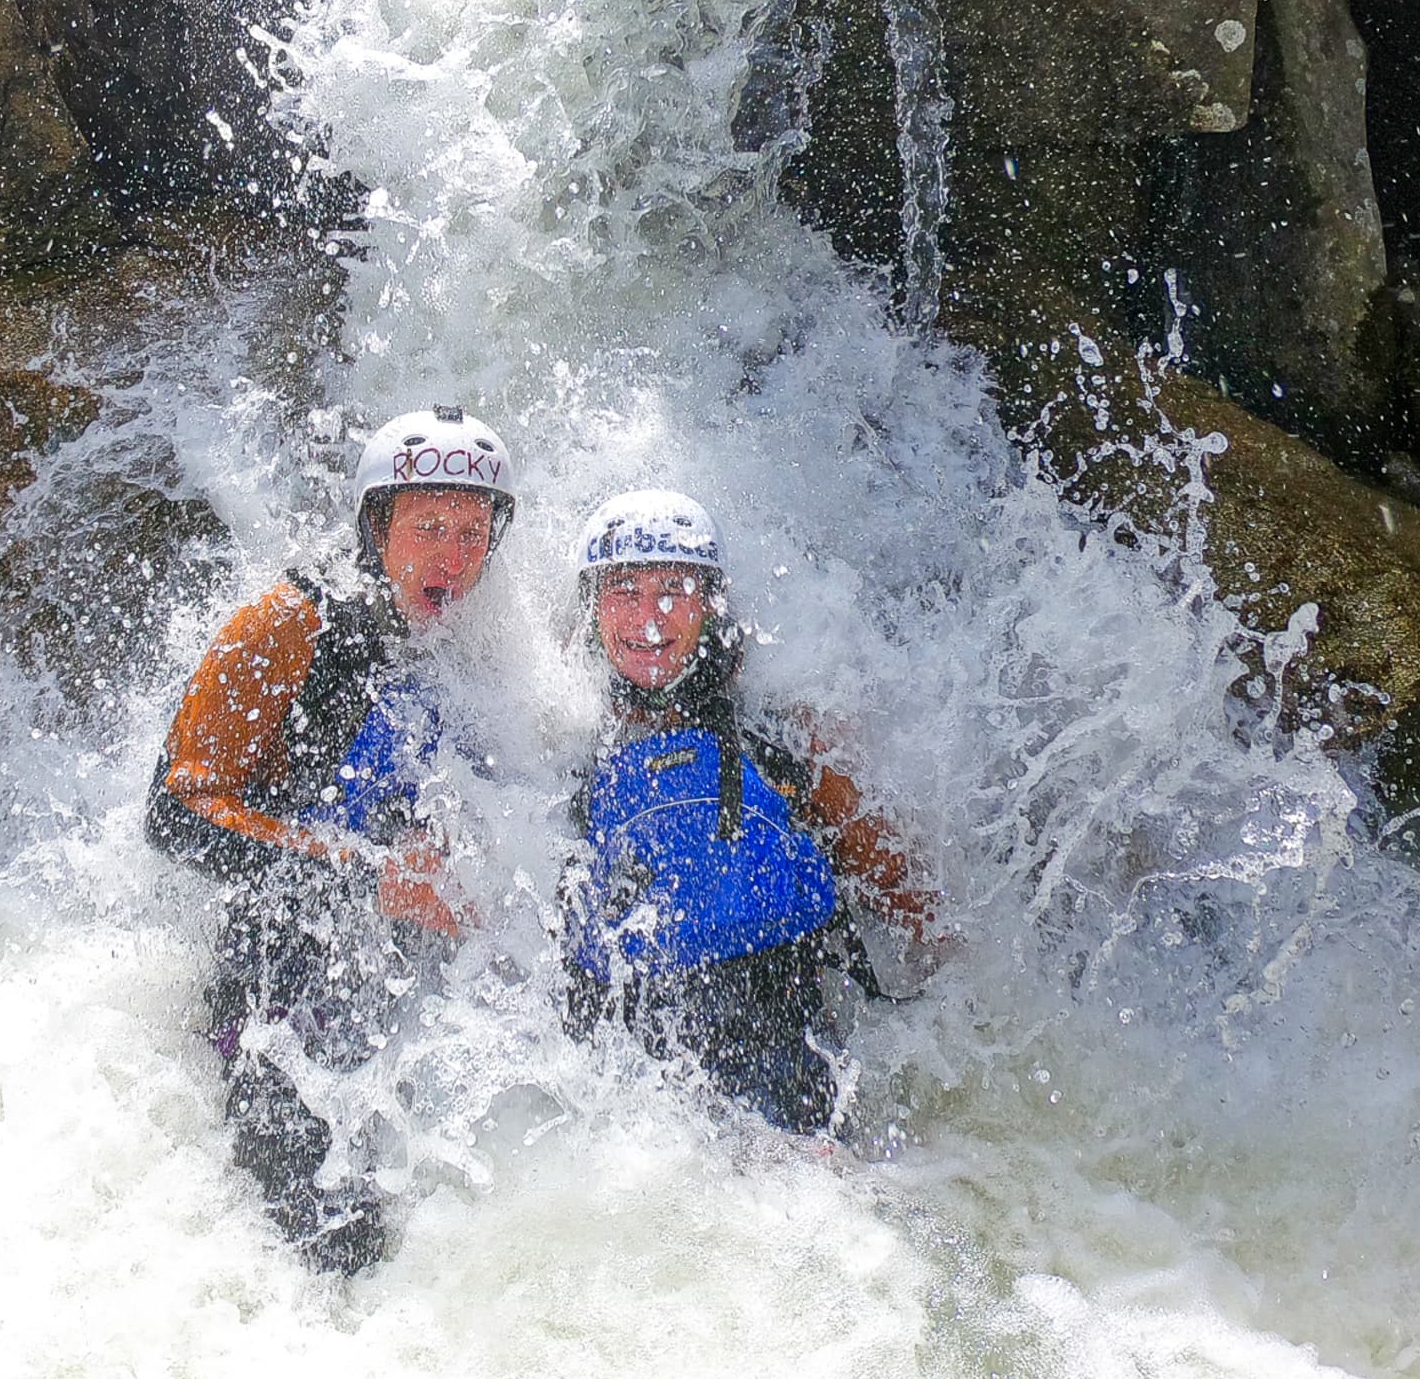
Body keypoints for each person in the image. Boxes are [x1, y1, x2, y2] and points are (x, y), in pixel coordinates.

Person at [147, 405, 515, 1272]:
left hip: (402, 990)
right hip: (276, 993)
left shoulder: (470, 641)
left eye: (472, 532)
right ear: (376, 527)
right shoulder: (285, 624)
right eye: (429, 527)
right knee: (334, 1252)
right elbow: (174, 813)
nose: (453, 558)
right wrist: (368, 876)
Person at [561, 489, 935, 1134]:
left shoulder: (783, 741)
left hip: (785, 1055)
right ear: (592, 609)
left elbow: (906, 899)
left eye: (673, 590)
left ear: (711, 605)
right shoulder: (559, 753)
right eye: (625, 592)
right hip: (617, 1083)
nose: (649, 619)